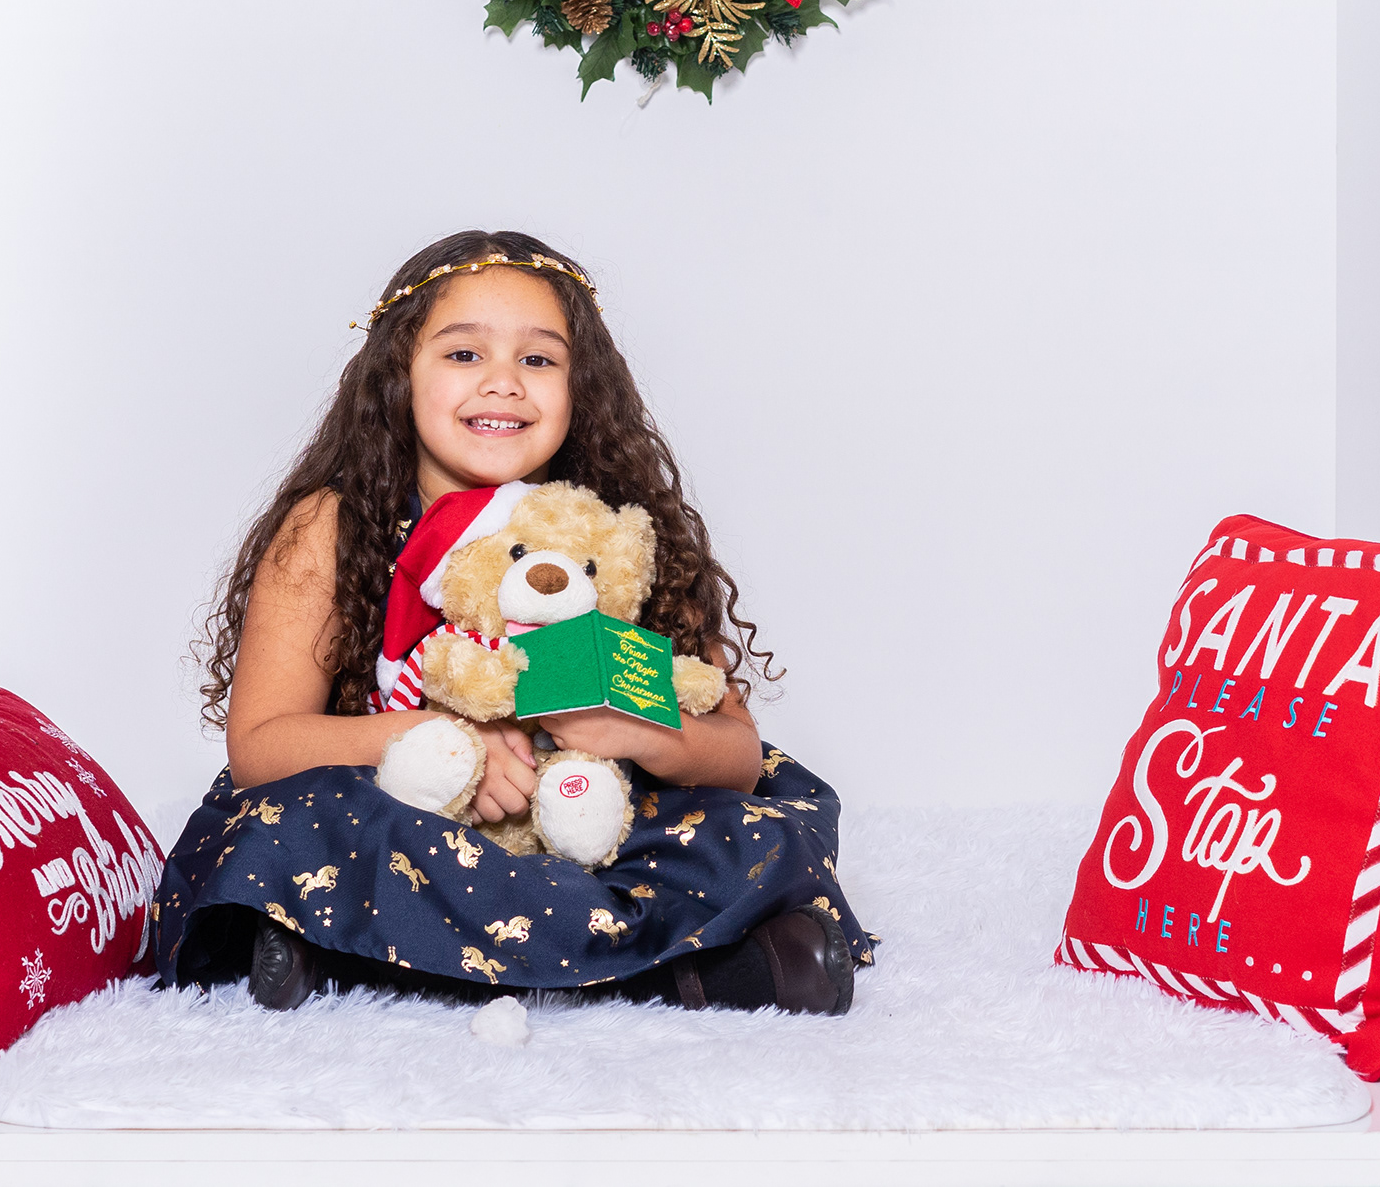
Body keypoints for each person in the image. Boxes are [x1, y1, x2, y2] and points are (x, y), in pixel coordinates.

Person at [156, 229, 872, 1016]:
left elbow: (737, 755)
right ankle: (675, 969)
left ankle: (368, 957)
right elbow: (259, 748)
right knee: (300, 825)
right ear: (398, 375)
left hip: (587, 821)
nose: (503, 383)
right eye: (464, 354)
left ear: (581, 386)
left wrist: (636, 732)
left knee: (759, 830)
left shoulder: (615, 534)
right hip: (414, 820)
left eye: (538, 359)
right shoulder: (334, 526)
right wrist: (437, 738)